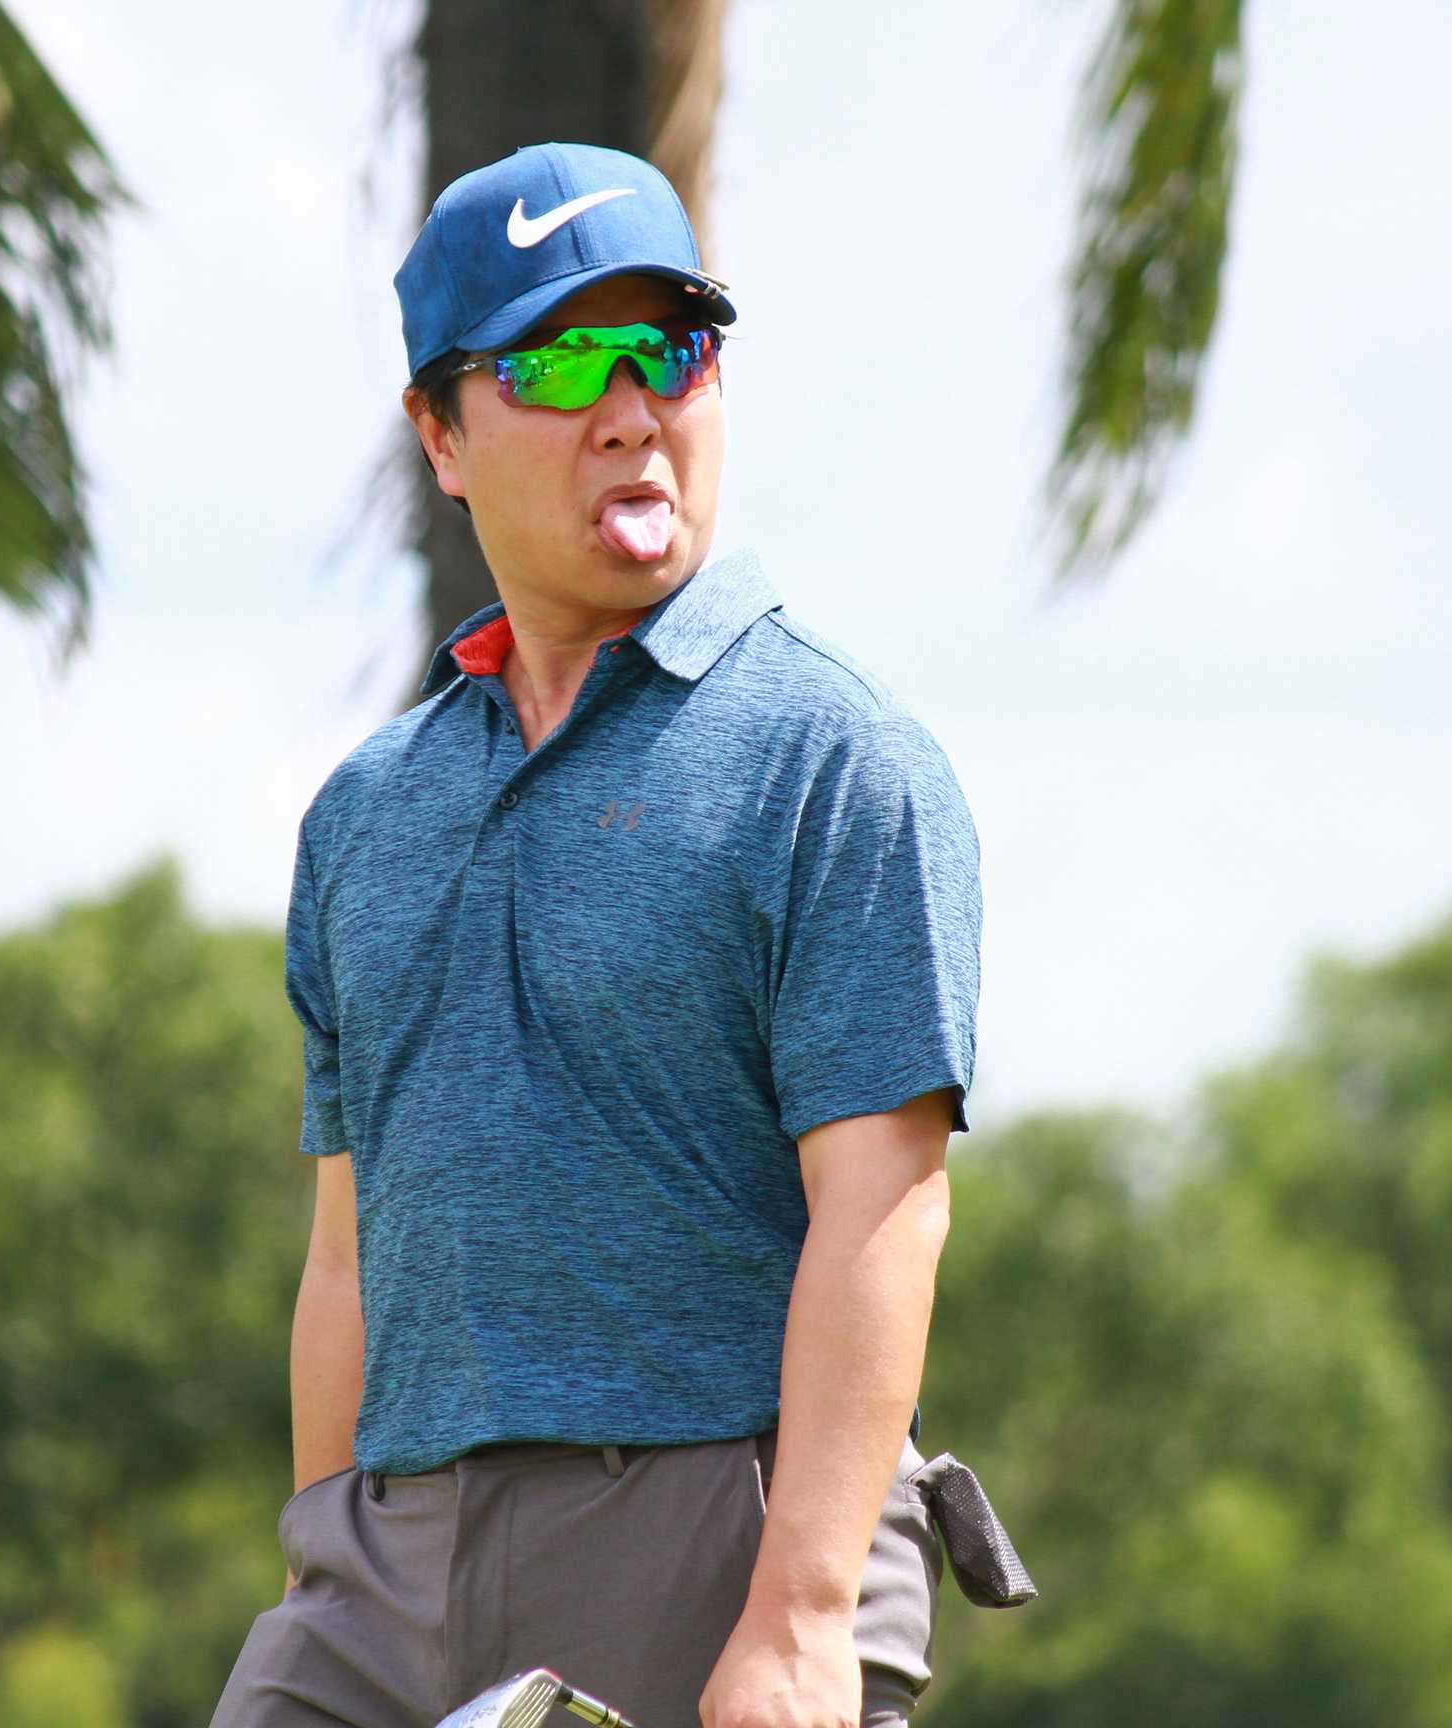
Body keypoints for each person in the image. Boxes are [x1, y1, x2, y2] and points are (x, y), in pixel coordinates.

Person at [214, 142, 994, 1728]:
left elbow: (884, 1205)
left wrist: (801, 1615)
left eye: (668, 350)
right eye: (562, 363)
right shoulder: (365, 813)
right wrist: (323, 1566)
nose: (630, 410)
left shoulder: (834, 761)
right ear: (441, 433)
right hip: (388, 1566)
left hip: (717, 1537)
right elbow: (350, 1251)